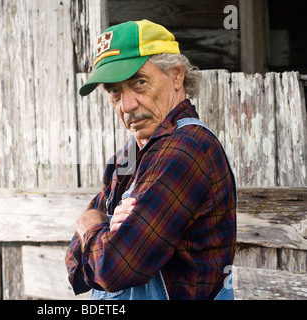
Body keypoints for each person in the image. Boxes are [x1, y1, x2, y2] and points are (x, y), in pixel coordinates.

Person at [65, 20, 237, 300]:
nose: (126, 105)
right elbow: (75, 269)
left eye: (139, 83)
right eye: (114, 91)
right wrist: (104, 232)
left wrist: (92, 225)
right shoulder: (127, 157)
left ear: (176, 76)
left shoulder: (188, 149)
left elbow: (112, 270)